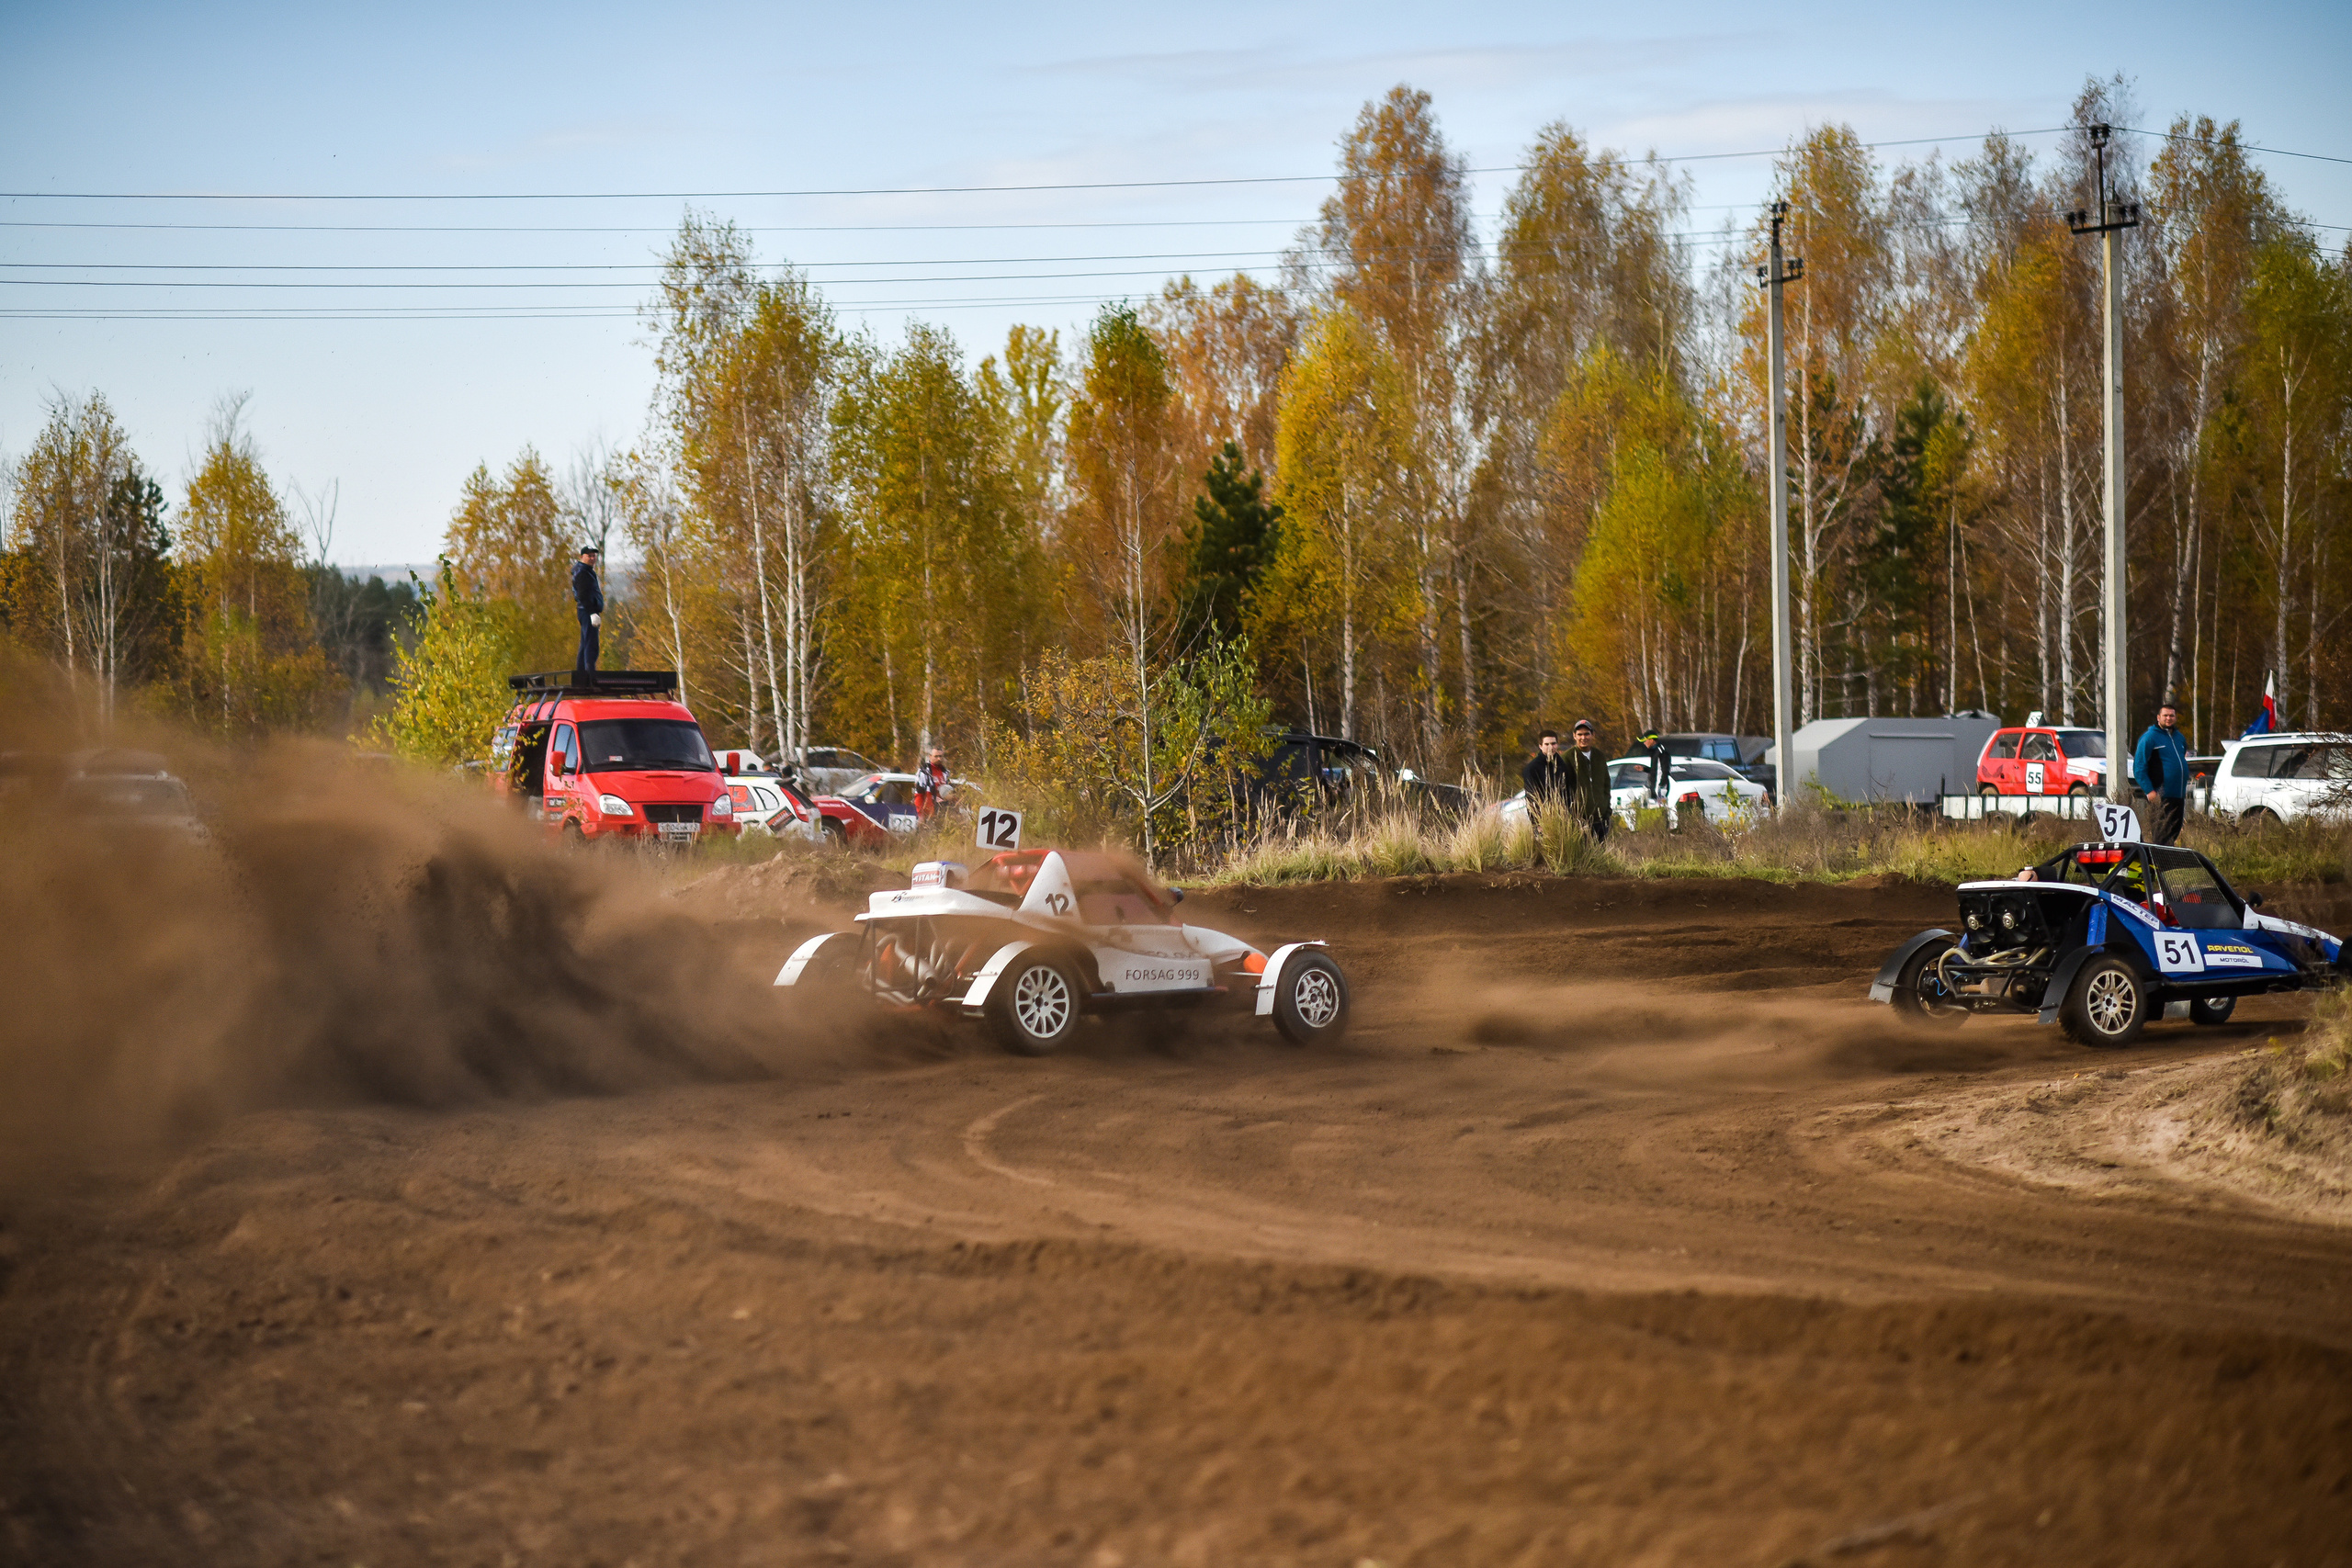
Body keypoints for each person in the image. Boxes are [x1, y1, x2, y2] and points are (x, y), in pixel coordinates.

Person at [2133, 699, 2190, 846]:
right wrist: (2149, 791)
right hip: (2160, 794)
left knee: (2174, 832)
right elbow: (2139, 768)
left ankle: (2168, 863)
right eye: (2165, 715)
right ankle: (2158, 865)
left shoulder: (2179, 738)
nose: (2168, 718)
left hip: (2178, 795)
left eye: (2171, 716)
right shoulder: (2149, 738)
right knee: (2161, 833)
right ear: (2158, 718)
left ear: (2175, 718)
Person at [1566, 719, 1613, 840]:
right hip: (1579, 821)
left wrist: (1607, 811)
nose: (1583, 738)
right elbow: (1563, 789)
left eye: (1587, 734)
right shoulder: (1568, 757)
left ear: (1593, 735)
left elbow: (1606, 784)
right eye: (1580, 734)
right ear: (1574, 736)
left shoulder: (1599, 756)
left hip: (1601, 819)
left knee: (1600, 854)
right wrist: (1572, 815)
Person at [571, 546, 604, 680]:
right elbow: (582, 594)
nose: (592, 558)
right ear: (582, 557)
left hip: (587, 611)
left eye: (593, 556)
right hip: (587, 611)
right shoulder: (582, 572)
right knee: (591, 644)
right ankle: (589, 674)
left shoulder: (587, 571)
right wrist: (591, 613)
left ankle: (582, 673)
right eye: (589, 556)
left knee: (585, 643)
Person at [1521, 729, 1571, 810]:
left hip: (1564, 816)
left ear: (1557, 744)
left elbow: (1568, 792)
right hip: (1544, 816)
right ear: (1540, 746)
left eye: (1553, 743)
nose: (1551, 747)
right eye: (1547, 744)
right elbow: (1531, 799)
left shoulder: (1562, 765)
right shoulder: (1532, 768)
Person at [913, 745, 951, 818]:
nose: (939, 759)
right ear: (930, 756)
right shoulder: (924, 772)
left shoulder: (945, 773)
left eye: (940, 756)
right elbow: (919, 794)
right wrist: (920, 814)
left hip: (943, 811)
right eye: (936, 756)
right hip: (928, 812)